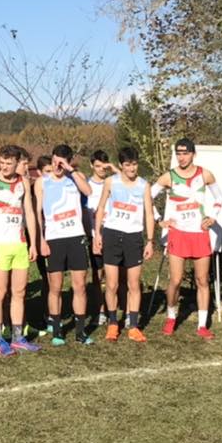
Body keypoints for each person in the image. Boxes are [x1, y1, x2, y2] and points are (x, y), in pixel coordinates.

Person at [155, 137, 222, 339]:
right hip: (179, 234)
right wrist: (160, 219)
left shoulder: (205, 174)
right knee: (175, 280)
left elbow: (219, 198)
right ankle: (171, 317)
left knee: (202, 280)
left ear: (193, 154)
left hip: (200, 234)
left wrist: (212, 217)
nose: (181, 157)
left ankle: (202, 325)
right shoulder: (169, 176)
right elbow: (148, 195)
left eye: (185, 153)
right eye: (178, 153)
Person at [0, 145, 41, 356]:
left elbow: (30, 215)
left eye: (9, 163)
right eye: (2, 163)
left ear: (17, 163)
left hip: (19, 245)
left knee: (19, 292)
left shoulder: (23, 182)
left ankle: (17, 337)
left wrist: (33, 243)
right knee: (0, 293)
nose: (5, 167)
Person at [33, 144, 94, 346]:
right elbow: (37, 213)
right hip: (54, 239)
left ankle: (80, 331)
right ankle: (58, 331)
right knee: (56, 287)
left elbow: (89, 191)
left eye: (61, 162)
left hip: (75, 237)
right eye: (55, 161)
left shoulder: (75, 178)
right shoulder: (42, 182)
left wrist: (71, 170)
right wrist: (41, 240)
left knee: (79, 286)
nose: (57, 165)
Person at [93, 147, 157, 342]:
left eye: (135, 164)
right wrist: (98, 233)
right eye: (128, 164)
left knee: (133, 284)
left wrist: (150, 241)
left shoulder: (143, 185)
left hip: (134, 238)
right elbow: (101, 206)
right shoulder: (111, 182)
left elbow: (148, 213)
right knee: (111, 284)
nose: (132, 168)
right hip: (112, 235)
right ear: (121, 165)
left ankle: (134, 325)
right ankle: (113, 324)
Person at [84, 150, 115, 325]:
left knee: (115, 277)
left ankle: (116, 311)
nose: (101, 170)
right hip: (94, 236)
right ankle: (100, 311)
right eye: (97, 166)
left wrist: (114, 169)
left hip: (113, 234)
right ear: (91, 166)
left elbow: (131, 180)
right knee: (97, 276)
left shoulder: (114, 182)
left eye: (104, 166)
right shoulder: (87, 185)